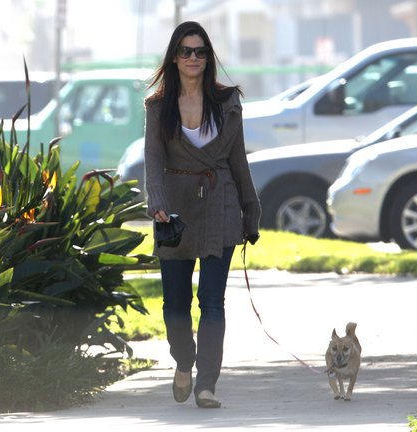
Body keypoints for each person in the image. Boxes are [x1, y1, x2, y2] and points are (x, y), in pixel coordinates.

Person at [143, 21, 261, 409]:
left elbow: (238, 160)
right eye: (185, 51)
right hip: (172, 211)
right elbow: (154, 160)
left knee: (212, 301)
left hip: (219, 204)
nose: (193, 58)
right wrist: (157, 201)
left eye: (200, 51)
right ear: (174, 58)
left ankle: (207, 384)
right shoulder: (158, 106)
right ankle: (184, 362)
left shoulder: (227, 103)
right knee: (175, 305)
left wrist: (250, 210)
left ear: (208, 58)